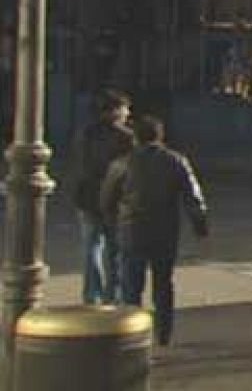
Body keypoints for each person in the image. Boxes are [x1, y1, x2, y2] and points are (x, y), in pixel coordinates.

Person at [101, 115, 209, 346]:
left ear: (135, 137)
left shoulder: (122, 163)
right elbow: (193, 196)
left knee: (131, 285)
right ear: (160, 136)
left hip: (131, 231)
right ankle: (164, 332)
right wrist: (200, 224)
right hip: (164, 231)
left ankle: (132, 333)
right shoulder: (176, 161)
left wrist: (113, 223)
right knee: (163, 283)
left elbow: (107, 199)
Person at [72, 89, 133, 304]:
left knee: (91, 248)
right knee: (115, 251)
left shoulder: (86, 133)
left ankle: (92, 296)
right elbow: (128, 172)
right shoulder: (126, 138)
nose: (128, 113)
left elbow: (81, 165)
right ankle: (113, 295)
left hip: (87, 198)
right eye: (125, 109)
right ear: (115, 111)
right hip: (115, 201)